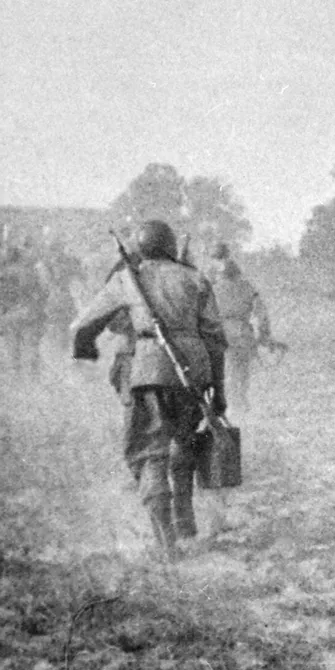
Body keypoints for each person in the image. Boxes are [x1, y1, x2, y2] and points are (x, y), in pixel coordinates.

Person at [69, 220, 226, 558]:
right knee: (185, 441)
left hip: (150, 369)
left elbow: (84, 323)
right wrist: (220, 393)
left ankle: (167, 543)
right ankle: (185, 521)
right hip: (194, 372)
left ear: (141, 248)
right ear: (171, 247)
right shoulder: (195, 278)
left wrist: (86, 348)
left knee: (148, 452)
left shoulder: (129, 278)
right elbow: (215, 339)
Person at [207, 243, 272, 414]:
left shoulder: (212, 289)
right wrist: (265, 337)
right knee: (241, 372)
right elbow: (261, 315)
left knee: (224, 371)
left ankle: (228, 405)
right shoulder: (247, 287)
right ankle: (240, 403)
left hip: (219, 333)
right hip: (243, 333)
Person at [0, 245, 50, 377]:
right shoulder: (31, 272)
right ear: (21, 258)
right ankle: (34, 379)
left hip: (10, 315)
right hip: (30, 313)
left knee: (13, 350)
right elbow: (43, 292)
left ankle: (16, 379)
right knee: (32, 347)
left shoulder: (4, 273)